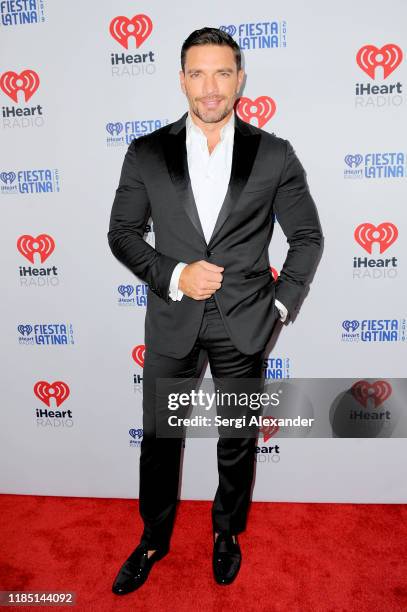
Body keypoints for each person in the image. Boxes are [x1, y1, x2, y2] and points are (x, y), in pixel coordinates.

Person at [108, 27, 323, 594]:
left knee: (237, 438)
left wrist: (278, 306)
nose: (210, 87)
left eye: (222, 73)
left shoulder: (274, 154)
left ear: (240, 79)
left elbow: (307, 237)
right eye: (198, 74)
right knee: (160, 439)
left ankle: (227, 533)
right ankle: (153, 539)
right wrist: (176, 274)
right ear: (181, 80)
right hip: (172, 319)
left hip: (246, 322)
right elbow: (123, 234)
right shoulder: (147, 152)